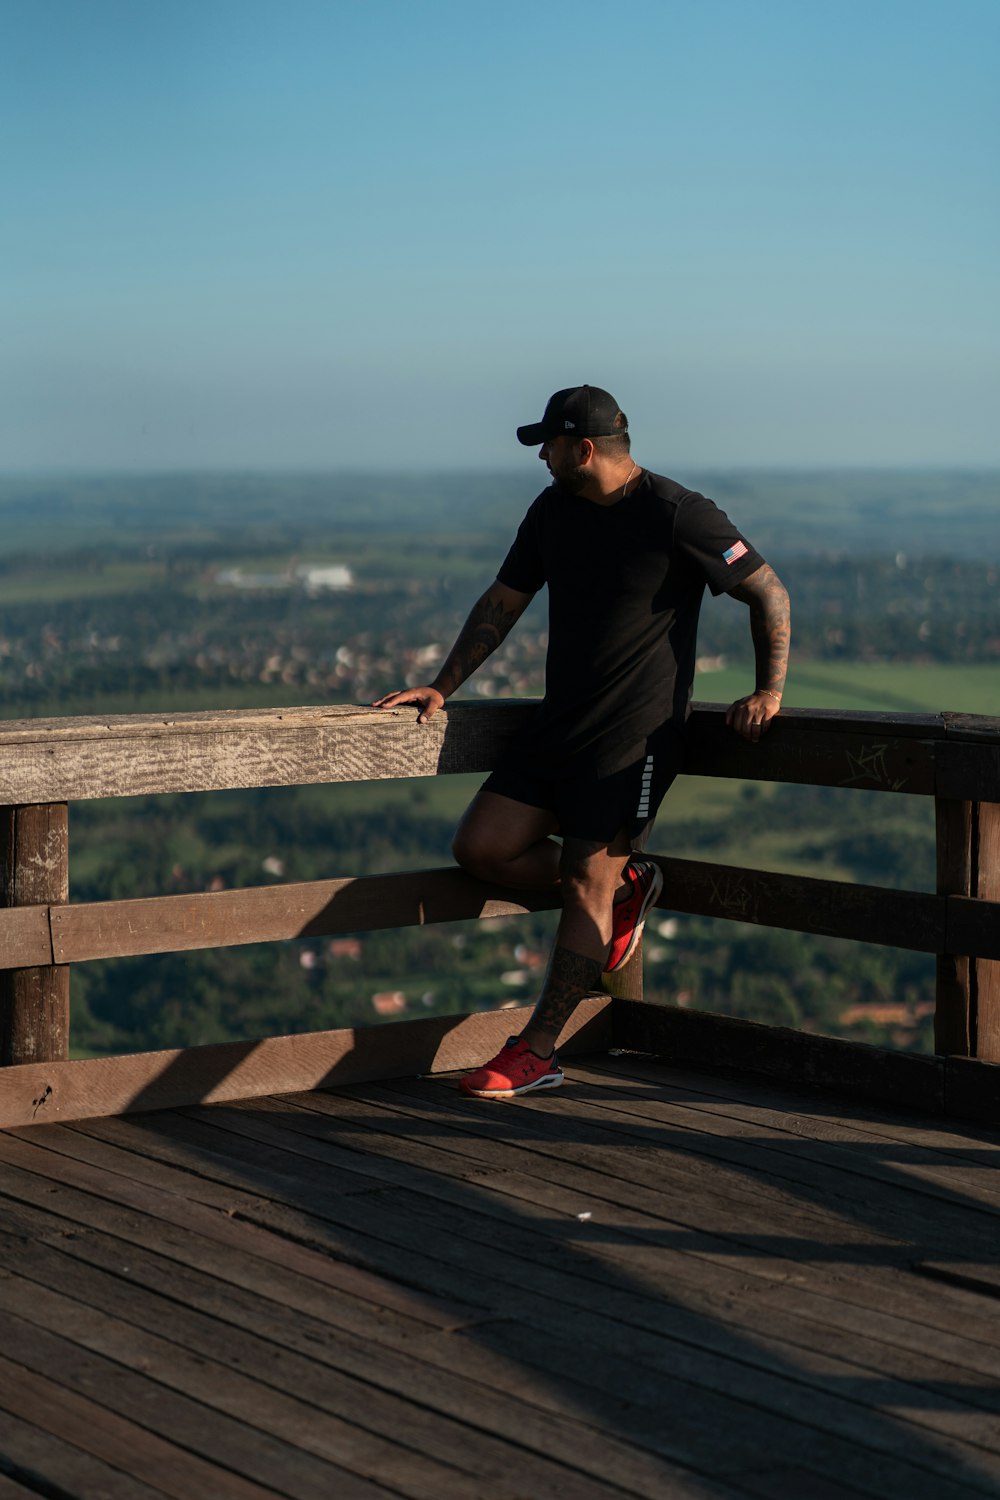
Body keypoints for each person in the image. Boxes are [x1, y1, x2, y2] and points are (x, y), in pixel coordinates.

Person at [373, 385, 790, 1099]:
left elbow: (768, 591)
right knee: (482, 847)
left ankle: (538, 1049)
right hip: (557, 720)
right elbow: (503, 601)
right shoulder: (552, 511)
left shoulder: (679, 513)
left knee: (585, 881)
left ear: (585, 449)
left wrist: (768, 690)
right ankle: (625, 889)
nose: (542, 456)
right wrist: (443, 685)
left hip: (633, 738)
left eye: (551, 444)